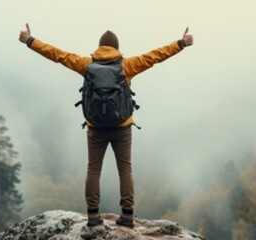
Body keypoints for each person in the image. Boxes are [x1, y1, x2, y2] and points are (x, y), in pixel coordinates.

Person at [18, 23, 194, 227]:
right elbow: (156, 55)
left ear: (99, 48)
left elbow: (58, 55)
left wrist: (30, 41)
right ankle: (127, 215)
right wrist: (181, 43)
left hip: (95, 128)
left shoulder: (86, 64)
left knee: (93, 170)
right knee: (125, 169)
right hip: (122, 127)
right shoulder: (127, 65)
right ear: (117, 48)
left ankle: (93, 216)